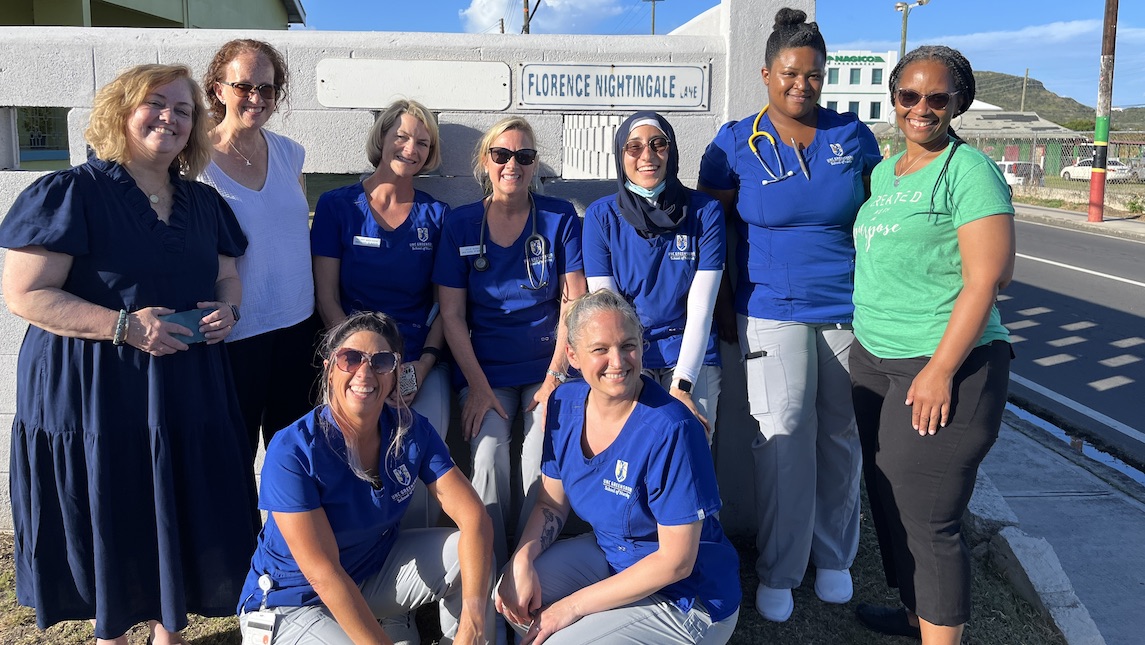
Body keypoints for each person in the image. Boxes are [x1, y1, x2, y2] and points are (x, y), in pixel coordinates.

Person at [0, 63, 259, 645]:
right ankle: (110, 635)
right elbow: (24, 293)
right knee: (108, 506)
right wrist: (122, 326)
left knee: (173, 505)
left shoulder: (202, 202)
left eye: (185, 110)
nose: (170, 117)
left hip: (184, 386)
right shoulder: (71, 193)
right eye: (156, 103)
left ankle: (169, 630)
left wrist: (229, 310)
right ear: (121, 111)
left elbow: (228, 275)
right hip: (94, 391)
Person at [697, 7, 883, 623]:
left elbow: (883, 225)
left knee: (841, 436)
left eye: (813, 75)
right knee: (781, 438)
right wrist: (723, 303)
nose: (801, 85)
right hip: (770, 310)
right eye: (789, 74)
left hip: (847, 314)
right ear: (766, 74)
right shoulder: (732, 143)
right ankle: (781, 566)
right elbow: (713, 227)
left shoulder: (852, 138)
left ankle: (834, 559)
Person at [849, 45, 1015, 645]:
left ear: (957, 103)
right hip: (874, 358)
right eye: (909, 95)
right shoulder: (883, 172)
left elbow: (990, 277)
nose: (922, 108)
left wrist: (941, 368)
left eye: (937, 97)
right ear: (894, 99)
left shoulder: (968, 171)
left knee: (929, 516)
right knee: (888, 495)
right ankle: (917, 611)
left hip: (947, 362)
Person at [495, 290, 740, 644]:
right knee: (509, 592)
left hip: (686, 598)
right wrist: (522, 556)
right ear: (573, 356)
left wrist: (572, 607)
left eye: (628, 345)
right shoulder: (563, 404)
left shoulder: (672, 428)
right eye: (600, 349)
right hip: (613, 557)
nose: (618, 361)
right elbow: (550, 504)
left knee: (558, 637)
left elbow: (676, 562)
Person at [237, 312, 494, 645]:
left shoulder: (409, 429)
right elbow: (324, 576)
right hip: (291, 602)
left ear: (395, 375)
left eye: (381, 362)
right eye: (351, 358)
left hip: (365, 576)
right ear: (330, 369)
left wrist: (472, 623)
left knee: (468, 552)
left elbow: (475, 519)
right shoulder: (293, 449)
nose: (365, 372)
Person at [433, 116, 587, 568]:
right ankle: (489, 569)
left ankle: (528, 570)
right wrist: (477, 387)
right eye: (501, 155)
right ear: (486, 162)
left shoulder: (559, 218)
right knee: (485, 457)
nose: (511, 165)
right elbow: (452, 316)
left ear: (535, 164)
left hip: (549, 368)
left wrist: (556, 375)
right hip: (486, 373)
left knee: (539, 460)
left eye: (523, 156)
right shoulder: (462, 225)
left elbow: (572, 304)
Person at [311, 99, 450, 528]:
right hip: (352, 356)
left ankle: (418, 551)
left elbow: (448, 306)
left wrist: (422, 366)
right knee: (346, 449)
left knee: (422, 444)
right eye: (403, 137)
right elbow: (326, 298)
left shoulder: (437, 214)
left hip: (415, 358)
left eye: (423, 143)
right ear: (382, 138)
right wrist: (360, 362)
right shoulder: (338, 206)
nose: (411, 149)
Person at [200, 38, 320, 453]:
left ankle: (285, 523)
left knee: (295, 456)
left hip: (299, 325)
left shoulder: (290, 153)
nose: (256, 98)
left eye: (267, 88)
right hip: (237, 334)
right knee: (233, 455)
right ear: (218, 89)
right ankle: (241, 524)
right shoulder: (194, 163)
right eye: (243, 87)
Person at [582, 111, 725, 441]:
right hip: (629, 352)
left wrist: (683, 385)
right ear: (621, 157)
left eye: (658, 144)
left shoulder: (705, 212)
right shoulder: (601, 217)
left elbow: (701, 308)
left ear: (671, 151)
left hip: (689, 351)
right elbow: (610, 313)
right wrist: (635, 377)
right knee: (636, 448)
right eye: (633, 148)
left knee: (691, 441)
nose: (647, 156)